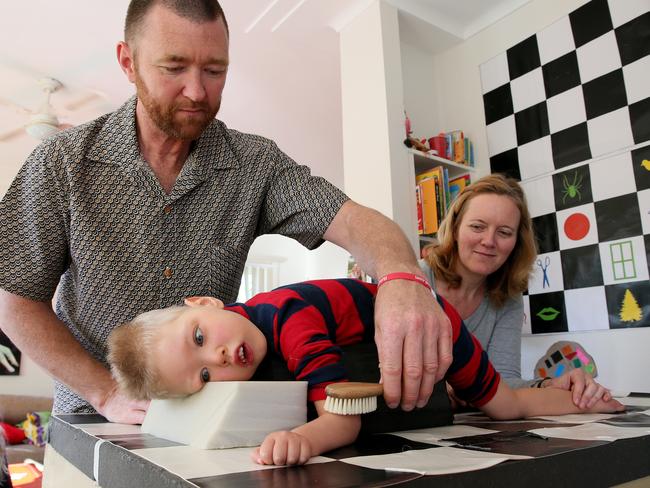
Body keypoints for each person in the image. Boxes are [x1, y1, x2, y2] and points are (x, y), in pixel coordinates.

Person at [0, 0, 451, 424]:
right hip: (89, 414)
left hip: (207, 420)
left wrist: (401, 275)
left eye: (214, 70)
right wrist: (105, 393)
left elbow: (351, 218)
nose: (196, 91)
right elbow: (15, 302)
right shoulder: (60, 162)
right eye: (174, 67)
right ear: (128, 62)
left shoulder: (255, 163)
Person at [107, 278, 624, 466]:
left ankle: (592, 402)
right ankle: (556, 390)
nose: (217, 358)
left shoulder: (290, 318)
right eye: (201, 379)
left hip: (428, 325)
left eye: (200, 337)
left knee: (504, 407)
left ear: (205, 301)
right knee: (480, 400)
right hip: (386, 356)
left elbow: (344, 419)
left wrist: (300, 439)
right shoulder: (251, 343)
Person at [420, 174, 610, 409]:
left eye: (504, 232)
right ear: (456, 228)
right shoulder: (416, 280)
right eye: (478, 227)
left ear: (516, 242)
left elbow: (503, 381)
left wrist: (550, 384)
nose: (489, 241)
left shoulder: (508, 297)